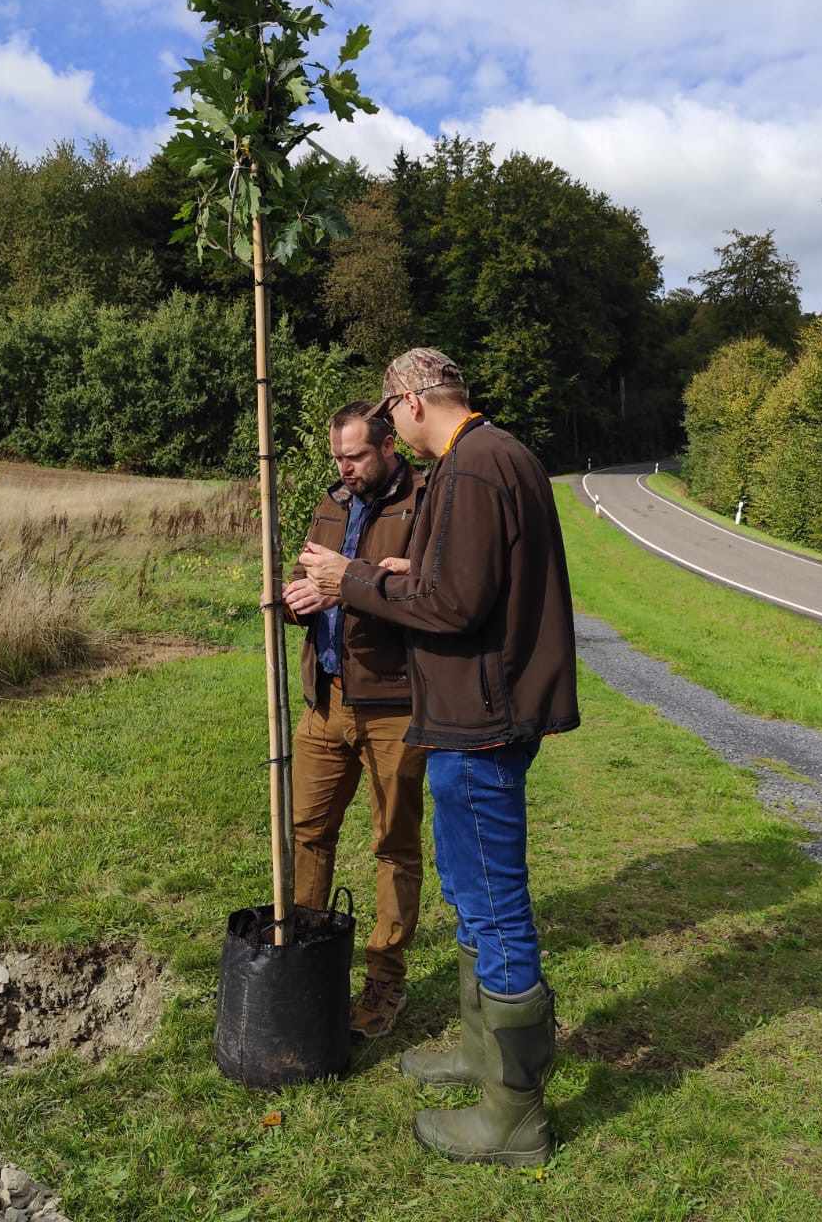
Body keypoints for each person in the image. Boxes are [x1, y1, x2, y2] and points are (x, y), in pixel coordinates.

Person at [299, 349, 578, 1167]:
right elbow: (467, 583)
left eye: (389, 420)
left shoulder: (473, 468)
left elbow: (453, 608)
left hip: (478, 720)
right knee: (469, 889)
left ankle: (513, 1115)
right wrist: (404, 571)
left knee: (494, 906)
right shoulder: (494, 456)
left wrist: (355, 579)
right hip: (474, 711)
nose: (391, 434)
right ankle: (480, 1051)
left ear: (412, 402)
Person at [281, 400, 426, 1039]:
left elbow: (431, 597)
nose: (345, 468)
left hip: (394, 704)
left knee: (393, 844)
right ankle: (307, 965)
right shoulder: (332, 500)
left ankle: (383, 981)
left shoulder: (422, 503)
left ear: (389, 445)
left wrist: (350, 582)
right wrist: (297, 599)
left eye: (357, 456)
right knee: (306, 832)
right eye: (337, 457)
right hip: (326, 698)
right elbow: (304, 577)